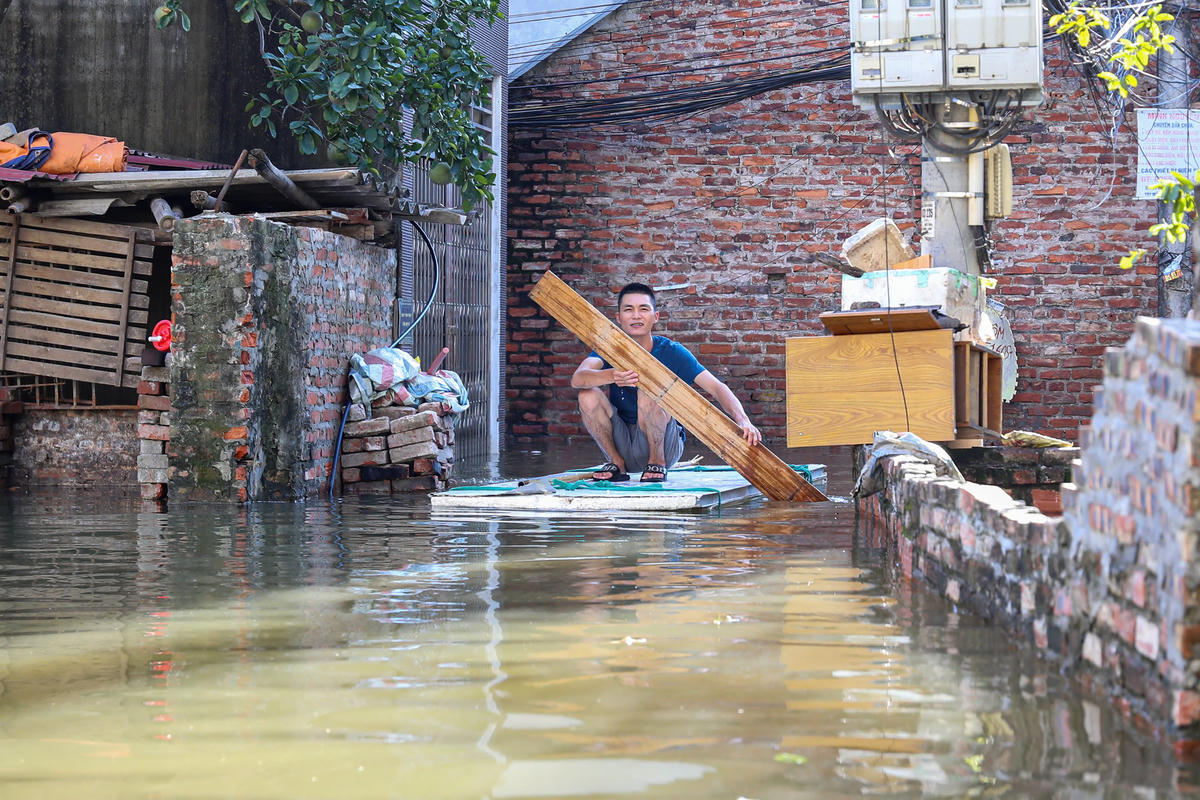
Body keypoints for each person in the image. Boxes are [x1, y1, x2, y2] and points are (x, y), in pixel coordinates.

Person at [571, 282, 762, 483]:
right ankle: (616, 462)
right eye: (629, 310)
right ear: (619, 318)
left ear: (655, 317)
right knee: (587, 394)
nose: (636, 316)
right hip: (623, 442)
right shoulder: (610, 348)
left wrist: (743, 420)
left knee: (650, 389)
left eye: (643, 309)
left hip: (665, 443)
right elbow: (578, 378)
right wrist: (611, 375)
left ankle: (657, 462)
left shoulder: (671, 351)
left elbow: (717, 387)